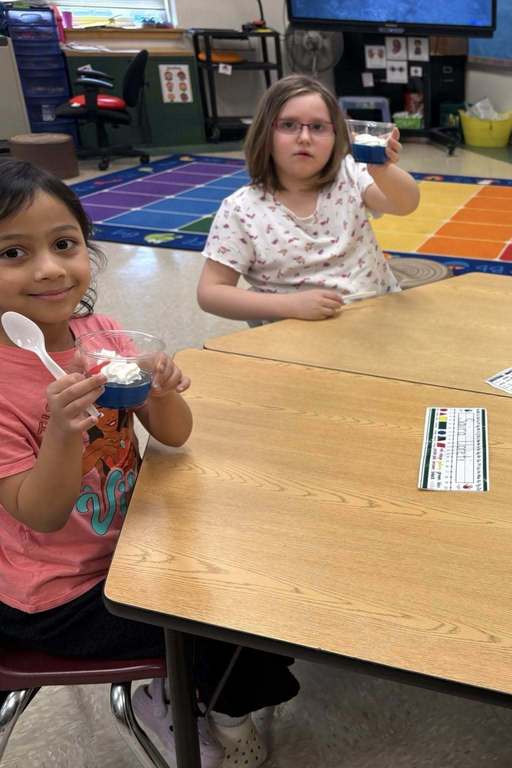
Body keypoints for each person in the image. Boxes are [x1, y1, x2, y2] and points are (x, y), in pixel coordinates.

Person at [0, 159, 298, 768]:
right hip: (59, 596)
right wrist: (63, 431)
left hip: (134, 543)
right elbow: (43, 514)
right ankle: (191, 704)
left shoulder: (103, 336)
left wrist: (158, 389)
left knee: (268, 572)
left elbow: (176, 435)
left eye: (64, 244)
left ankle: (199, 687)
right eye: (13, 253)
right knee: (234, 622)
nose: (50, 268)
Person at [197, 74, 421, 324]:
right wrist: (289, 305)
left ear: (336, 136)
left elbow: (406, 204)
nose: (304, 137)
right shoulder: (240, 210)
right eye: (288, 125)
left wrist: (382, 170)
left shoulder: (350, 174)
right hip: (296, 332)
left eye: (317, 127)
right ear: (265, 133)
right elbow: (210, 293)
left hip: (377, 316)